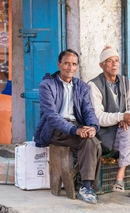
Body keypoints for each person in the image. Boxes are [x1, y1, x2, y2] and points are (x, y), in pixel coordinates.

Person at [88, 46, 130, 200]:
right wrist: (121, 117)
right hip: (105, 135)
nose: (114, 64)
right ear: (101, 65)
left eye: (116, 61)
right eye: (109, 61)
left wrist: (127, 117)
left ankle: (128, 181)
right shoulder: (94, 85)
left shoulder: (126, 82)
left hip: (124, 133)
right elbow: (98, 117)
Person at [33, 49, 102, 205]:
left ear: (77, 67)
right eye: (66, 63)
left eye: (74, 64)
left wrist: (92, 127)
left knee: (93, 141)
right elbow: (52, 116)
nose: (70, 68)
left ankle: (86, 187)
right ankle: (87, 187)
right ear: (59, 64)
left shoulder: (82, 87)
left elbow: (88, 110)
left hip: (75, 128)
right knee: (94, 145)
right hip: (55, 130)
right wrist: (75, 130)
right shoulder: (47, 85)